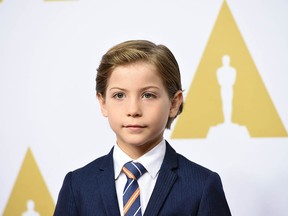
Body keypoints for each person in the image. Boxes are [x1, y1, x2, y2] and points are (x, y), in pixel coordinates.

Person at [54, 40, 231, 216]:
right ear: (103, 103)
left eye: (148, 95)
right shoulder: (77, 185)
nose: (133, 110)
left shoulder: (201, 186)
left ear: (174, 103)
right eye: (119, 95)